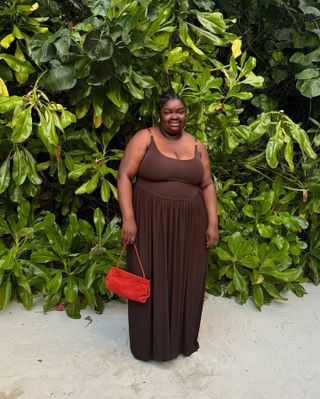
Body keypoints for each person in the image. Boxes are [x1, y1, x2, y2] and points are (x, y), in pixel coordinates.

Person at [117, 93, 219, 361]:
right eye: (168, 112)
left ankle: (181, 341)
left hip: (189, 225)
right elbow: (125, 176)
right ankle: (148, 345)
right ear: (159, 114)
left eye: (180, 111)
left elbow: (207, 185)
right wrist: (129, 218)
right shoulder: (144, 138)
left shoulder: (197, 145)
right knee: (148, 276)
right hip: (150, 222)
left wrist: (212, 223)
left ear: (186, 114)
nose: (175, 117)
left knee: (188, 278)